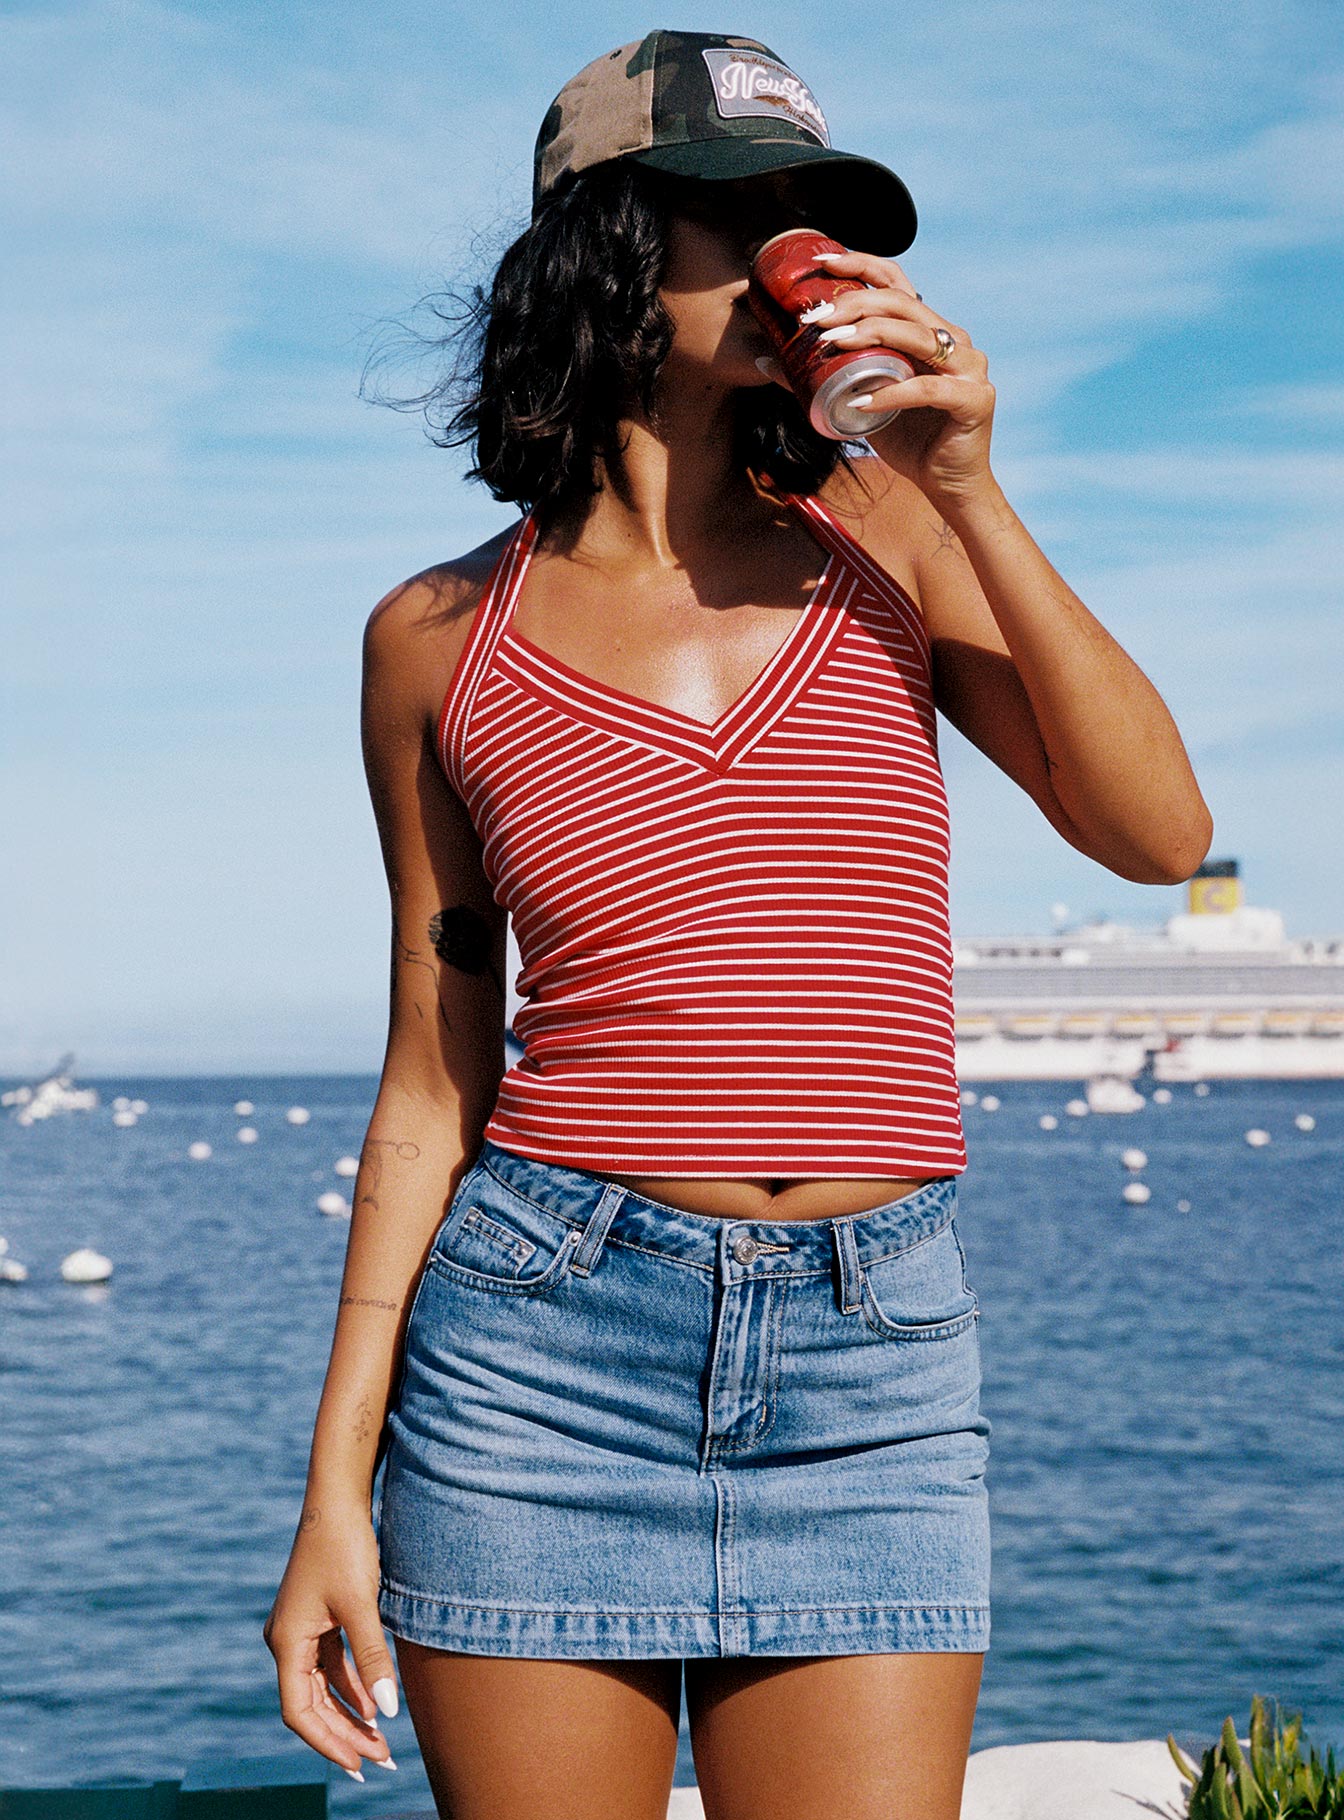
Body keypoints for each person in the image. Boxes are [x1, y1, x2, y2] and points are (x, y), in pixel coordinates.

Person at [264, 29, 1212, 1819]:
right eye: (745, 215)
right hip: (539, 1353)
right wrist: (332, 1493)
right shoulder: (433, 638)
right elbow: (429, 1079)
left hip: (877, 1362)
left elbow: (1158, 836)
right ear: (605, 249)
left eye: (819, 217)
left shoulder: (895, 537)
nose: (803, 257)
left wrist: (969, 484)